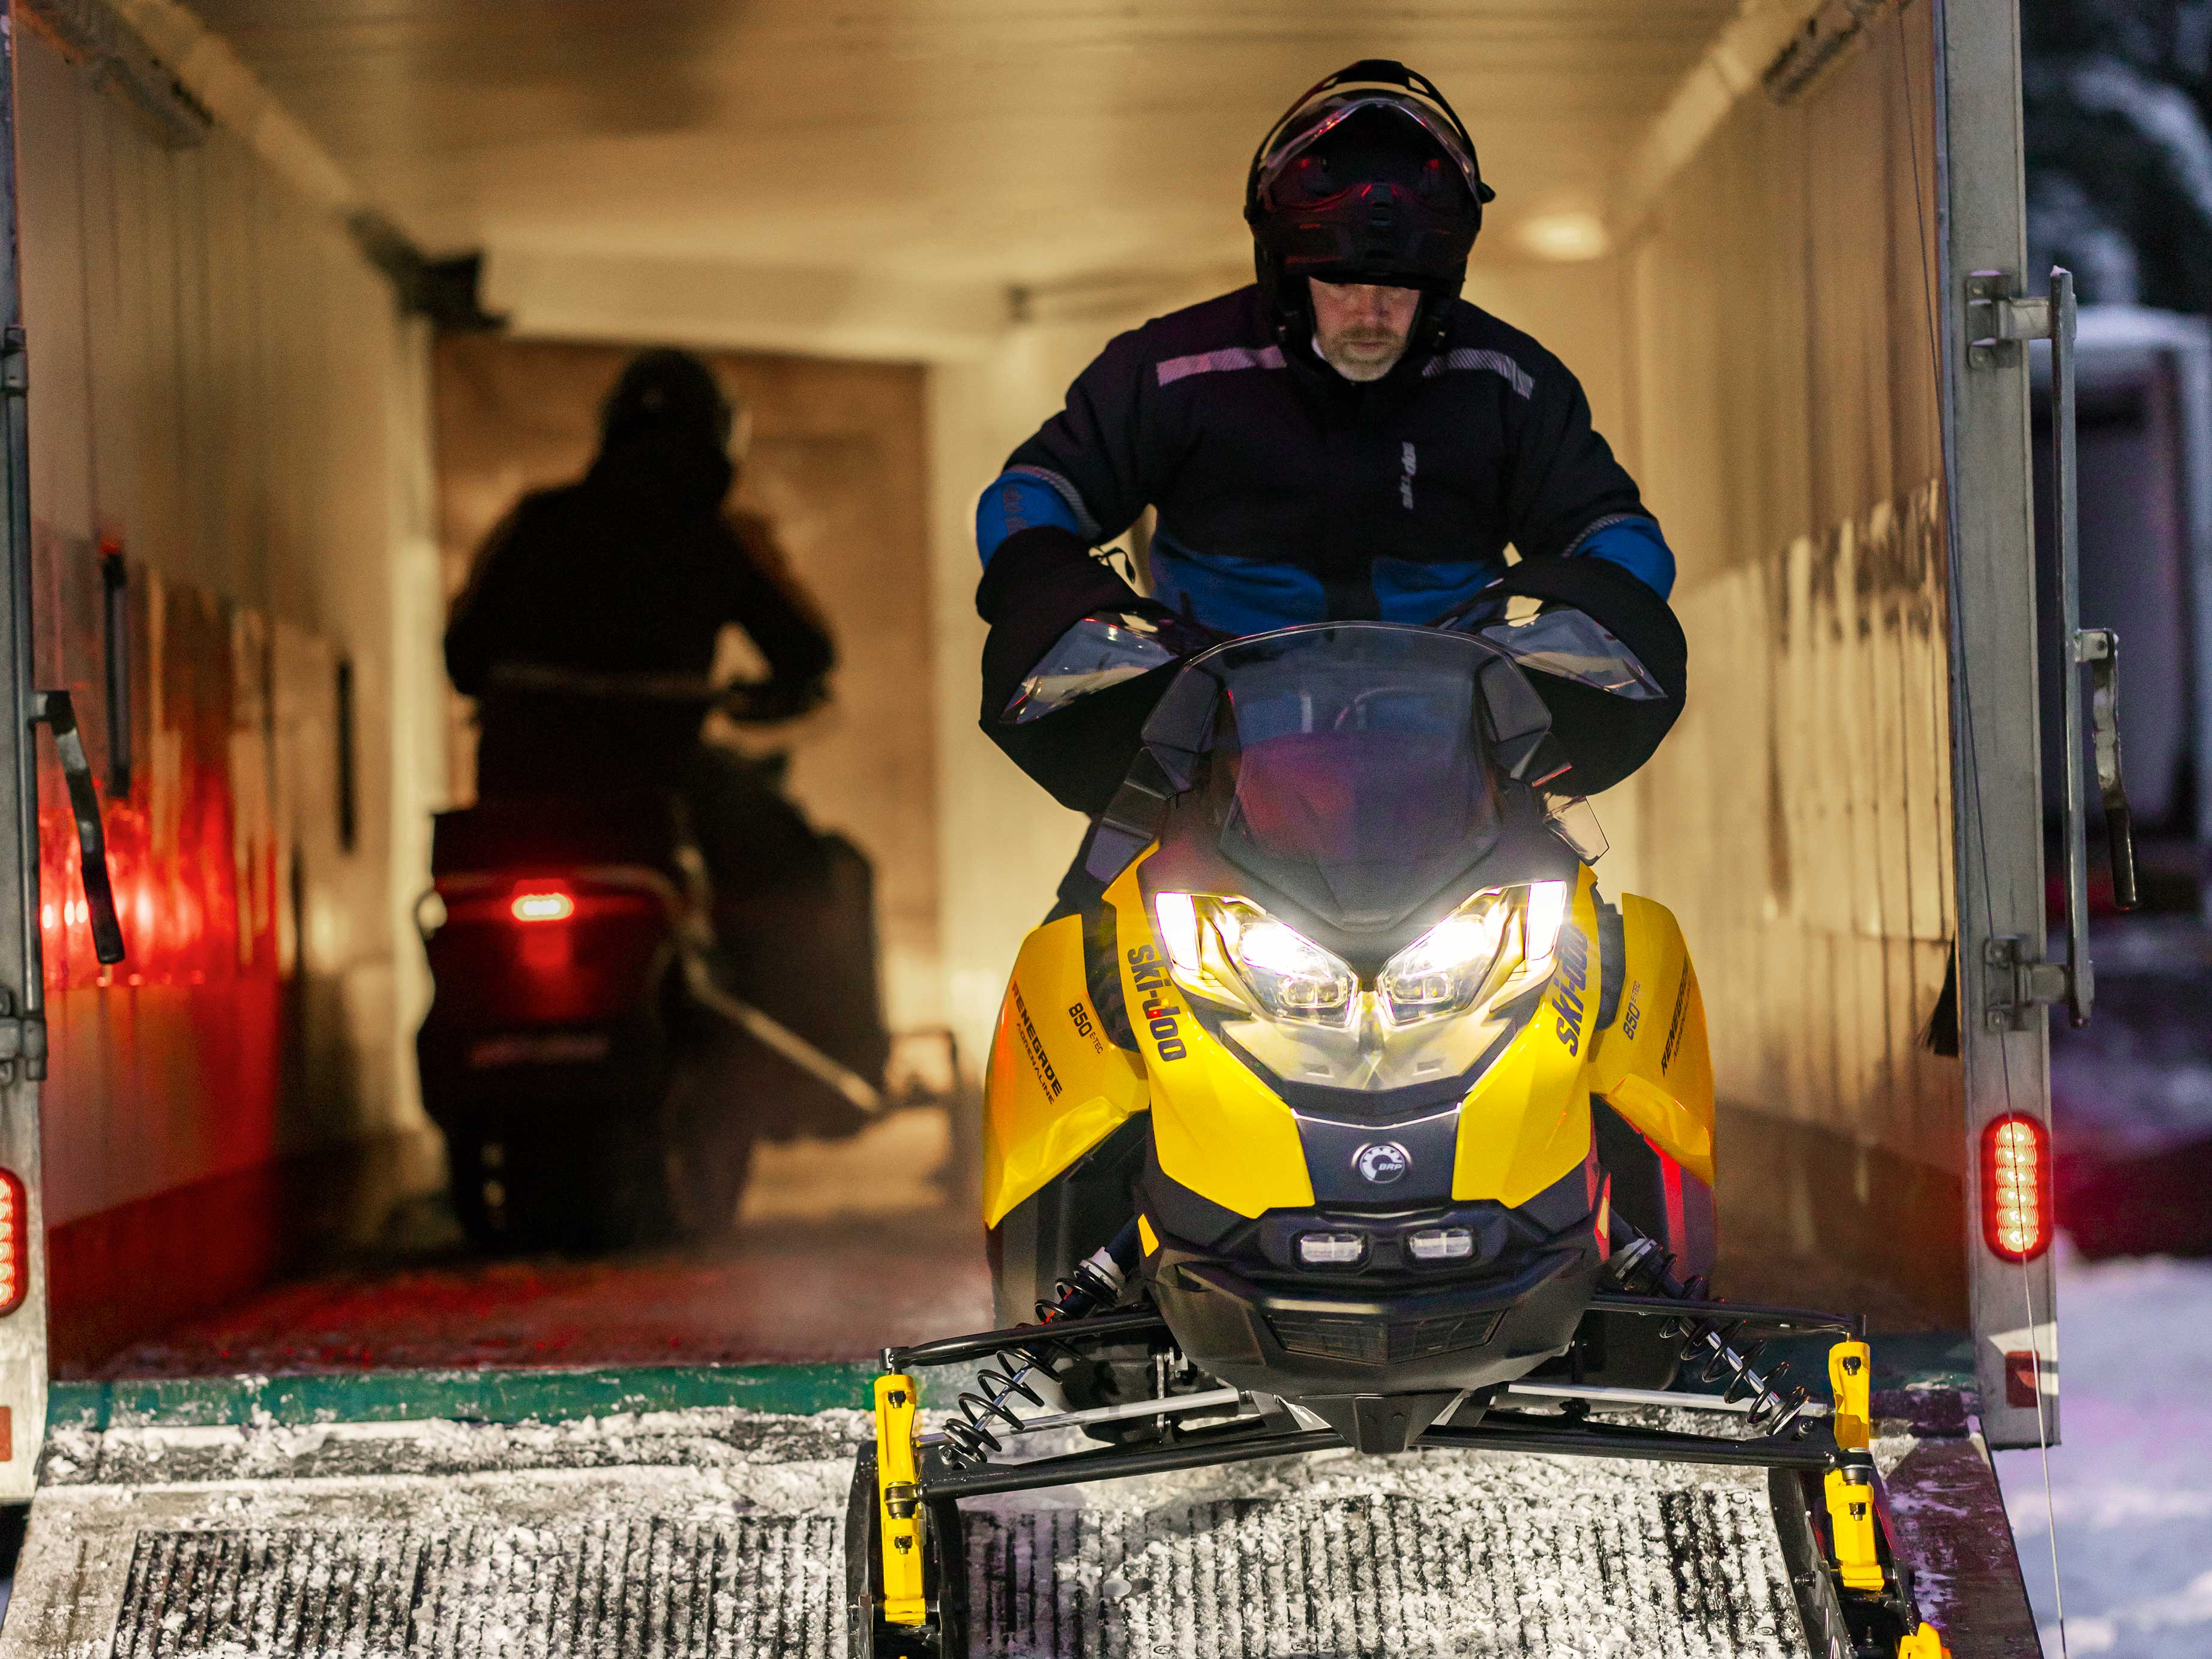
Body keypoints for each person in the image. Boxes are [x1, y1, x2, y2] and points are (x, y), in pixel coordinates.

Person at [972, 61, 1689, 911]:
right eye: (1340, 282)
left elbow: (1616, 532)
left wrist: (1572, 612)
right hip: (1205, 760)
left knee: (1590, 965)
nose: (1368, 311)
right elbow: (1031, 491)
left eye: (1397, 288)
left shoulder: (1506, 382)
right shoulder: (1171, 371)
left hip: (1455, 762)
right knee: (1075, 961)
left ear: (1443, 279)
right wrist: (1051, 585)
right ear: (1283, 267)